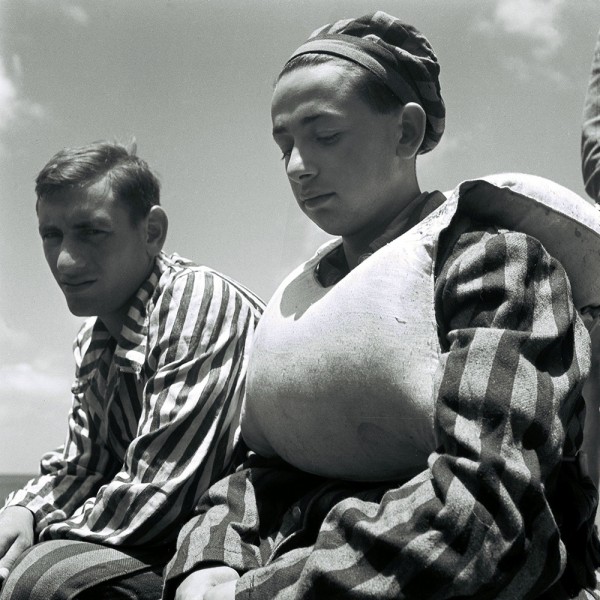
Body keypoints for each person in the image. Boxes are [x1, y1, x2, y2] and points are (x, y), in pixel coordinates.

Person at [163, 12, 600, 600]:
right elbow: (261, 469)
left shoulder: (494, 268)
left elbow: (490, 515)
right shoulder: (308, 301)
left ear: (406, 133)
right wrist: (209, 556)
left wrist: (259, 593)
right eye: (284, 143)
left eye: (325, 135)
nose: (297, 166)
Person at [0, 141, 264, 599]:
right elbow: (84, 465)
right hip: (173, 528)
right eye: (52, 235)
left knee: (44, 578)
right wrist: (22, 512)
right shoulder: (95, 338)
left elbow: (160, 496)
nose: (65, 261)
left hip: (235, 535)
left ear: (152, 231)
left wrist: (34, 542)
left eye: (92, 232)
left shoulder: (194, 302)